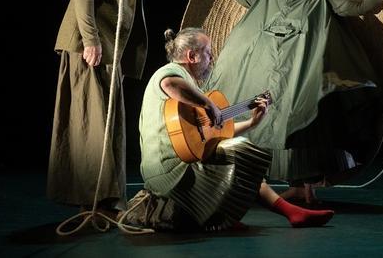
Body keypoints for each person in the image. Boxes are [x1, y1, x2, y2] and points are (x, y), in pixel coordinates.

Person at [198, 0, 383, 203]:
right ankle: (298, 187)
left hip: (303, 71)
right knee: (269, 120)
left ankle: (305, 186)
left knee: (301, 120)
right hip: (271, 70)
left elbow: (356, 7)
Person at [138, 27, 334, 230]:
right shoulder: (172, 72)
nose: (211, 58)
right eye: (208, 52)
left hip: (180, 162)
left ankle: (288, 212)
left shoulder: (191, 89)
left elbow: (215, 136)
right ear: (192, 56)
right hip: (169, 169)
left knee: (238, 151)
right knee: (242, 149)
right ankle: (244, 216)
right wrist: (209, 104)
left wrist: (251, 123)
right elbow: (170, 84)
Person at [47, 0, 151, 217]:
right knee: (91, 124)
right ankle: (91, 199)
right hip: (89, 50)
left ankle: (106, 198)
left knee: (108, 122)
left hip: (109, 51)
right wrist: (90, 40)